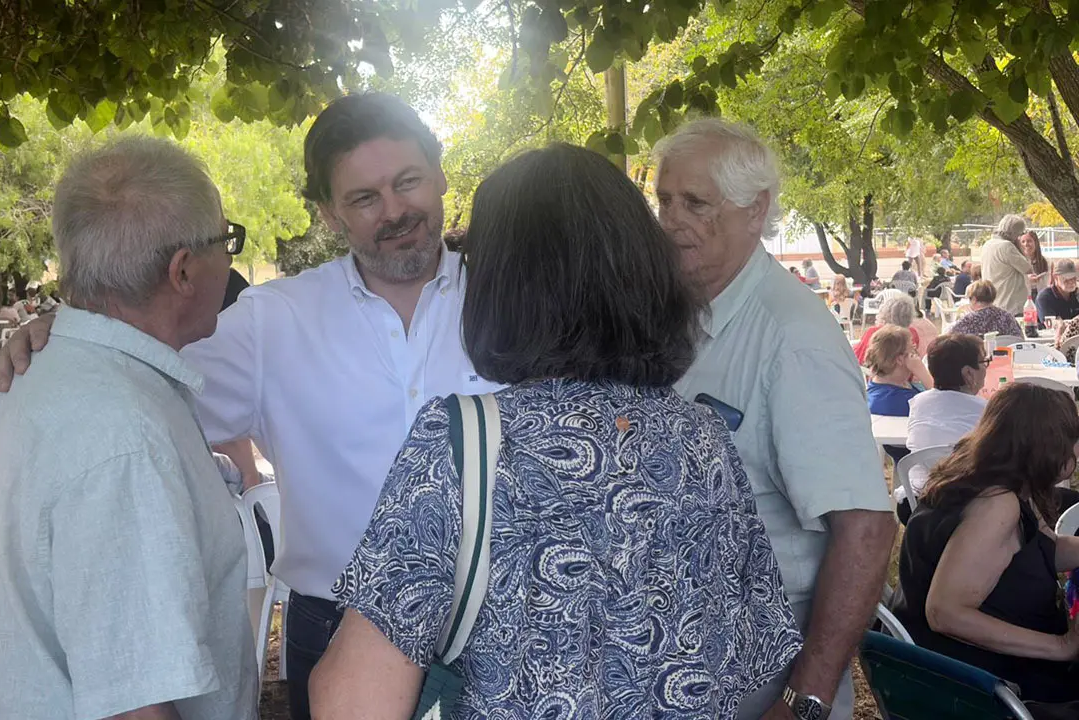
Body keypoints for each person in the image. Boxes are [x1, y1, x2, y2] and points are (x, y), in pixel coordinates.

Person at [0, 93, 501, 719]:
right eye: (365, 198)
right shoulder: (273, 322)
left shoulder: (519, 302)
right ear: (328, 214)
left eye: (408, 181)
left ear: (441, 173)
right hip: (339, 632)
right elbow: (139, 377)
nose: (394, 211)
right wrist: (67, 336)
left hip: (501, 625)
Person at [311, 144, 802, 718]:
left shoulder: (462, 443)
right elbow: (744, 658)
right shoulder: (705, 439)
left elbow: (353, 703)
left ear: (503, 285)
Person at [0, 136, 258, 720]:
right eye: (225, 242)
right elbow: (135, 706)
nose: (229, 263)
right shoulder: (128, 436)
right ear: (182, 271)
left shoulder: (56, 370)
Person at [652, 118, 896, 720]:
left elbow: (866, 529)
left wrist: (804, 701)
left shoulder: (792, 339)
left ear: (755, 210)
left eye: (695, 203)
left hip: (764, 681)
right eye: (664, 200)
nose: (671, 220)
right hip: (682, 665)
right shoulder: (676, 313)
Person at [891, 383, 1079, 704]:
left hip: (970, 665)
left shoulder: (988, 475)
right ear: (1046, 448)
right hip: (982, 684)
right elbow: (944, 612)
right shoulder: (996, 505)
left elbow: (1045, 550)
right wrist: (1062, 647)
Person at [901, 334, 989, 523]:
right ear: (968, 373)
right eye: (984, 362)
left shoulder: (918, 403)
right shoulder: (986, 410)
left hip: (915, 502)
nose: (986, 368)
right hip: (968, 506)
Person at [981, 214, 1041, 314]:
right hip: (1011, 304)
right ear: (1016, 233)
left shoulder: (988, 244)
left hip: (994, 301)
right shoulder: (1007, 246)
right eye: (1021, 233)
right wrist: (1019, 246)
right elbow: (1028, 268)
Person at [865, 326, 922, 416]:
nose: (917, 355)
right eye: (913, 350)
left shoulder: (878, 384)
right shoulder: (904, 400)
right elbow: (942, 405)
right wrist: (922, 373)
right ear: (900, 359)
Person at [949, 280, 1022, 338]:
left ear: (974, 299)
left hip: (977, 352)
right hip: (1005, 352)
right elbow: (1019, 338)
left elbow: (949, 336)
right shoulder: (1007, 317)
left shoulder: (968, 321)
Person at [1018, 229, 1051, 297]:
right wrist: (1027, 279)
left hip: (1042, 296)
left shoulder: (1046, 262)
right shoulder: (1017, 262)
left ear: (1036, 243)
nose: (1026, 244)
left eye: (1029, 241)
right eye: (1023, 242)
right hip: (1024, 297)